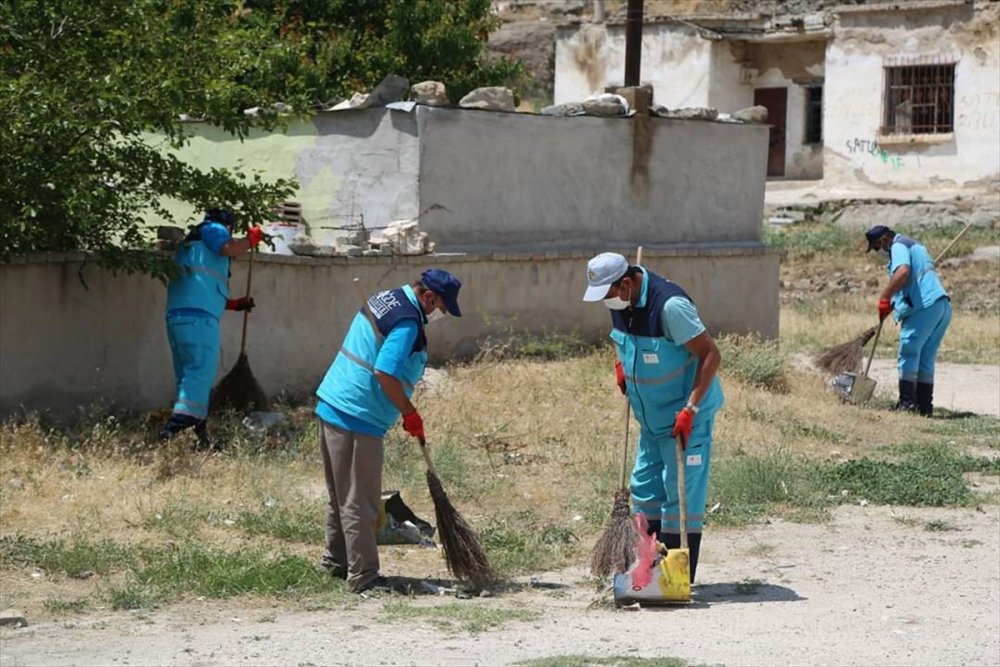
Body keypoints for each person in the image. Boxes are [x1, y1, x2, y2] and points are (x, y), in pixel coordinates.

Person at [314, 269, 463, 594]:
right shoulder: (408, 321)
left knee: (340, 495)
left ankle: (336, 563)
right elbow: (385, 372)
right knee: (360, 501)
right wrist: (410, 413)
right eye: (441, 306)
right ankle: (364, 577)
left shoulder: (387, 299)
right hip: (357, 415)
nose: (440, 314)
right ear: (427, 296)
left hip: (333, 402)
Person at [583, 252, 723, 583]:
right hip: (650, 420)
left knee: (680, 498)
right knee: (643, 491)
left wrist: (690, 410)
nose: (606, 302)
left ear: (626, 283)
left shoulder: (670, 308)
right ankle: (647, 575)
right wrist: (621, 366)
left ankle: (675, 579)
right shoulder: (621, 304)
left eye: (608, 294)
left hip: (685, 419)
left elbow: (711, 355)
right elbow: (622, 342)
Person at [159, 209, 262, 446]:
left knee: (189, 378)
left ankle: (198, 433)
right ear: (227, 226)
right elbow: (230, 248)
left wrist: (234, 304)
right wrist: (251, 240)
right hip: (199, 320)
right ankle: (173, 431)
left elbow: (201, 288)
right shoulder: (213, 229)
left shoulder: (191, 248)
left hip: (179, 318)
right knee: (200, 372)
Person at [865, 225, 951, 416]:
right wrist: (895, 303)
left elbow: (903, 272)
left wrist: (885, 296)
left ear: (885, 239)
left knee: (909, 353)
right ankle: (924, 406)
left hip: (924, 308)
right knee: (926, 358)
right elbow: (914, 281)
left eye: (878, 246)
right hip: (941, 306)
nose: (880, 251)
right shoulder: (916, 245)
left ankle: (907, 404)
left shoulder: (898, 246)